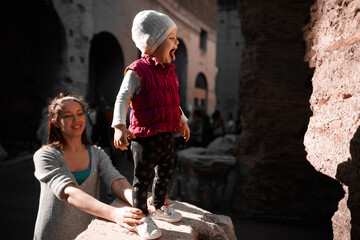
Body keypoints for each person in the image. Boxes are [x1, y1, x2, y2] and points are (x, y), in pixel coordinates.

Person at [112, 10, 190, 239]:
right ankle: (141, 216)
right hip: (145, 137)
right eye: (172, 38)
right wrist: (119, 126)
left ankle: (159, 205)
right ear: (153, 41)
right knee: (142, 178)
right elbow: (122, 98)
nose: (177, 42)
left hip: (167, 134)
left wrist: (182, 120)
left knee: (165, 173)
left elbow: (172, 102)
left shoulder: (171, 74)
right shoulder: (137, 71)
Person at [33, 93, 144, 240]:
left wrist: (137, 199)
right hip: (53, 234)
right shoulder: (45, 155)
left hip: (87, 234)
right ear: (55, 121)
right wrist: (114, 213)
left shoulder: (97, 153)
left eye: (80, 114)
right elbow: (69, 192)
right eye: (68, 116)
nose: (76, 120)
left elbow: (116, 180)